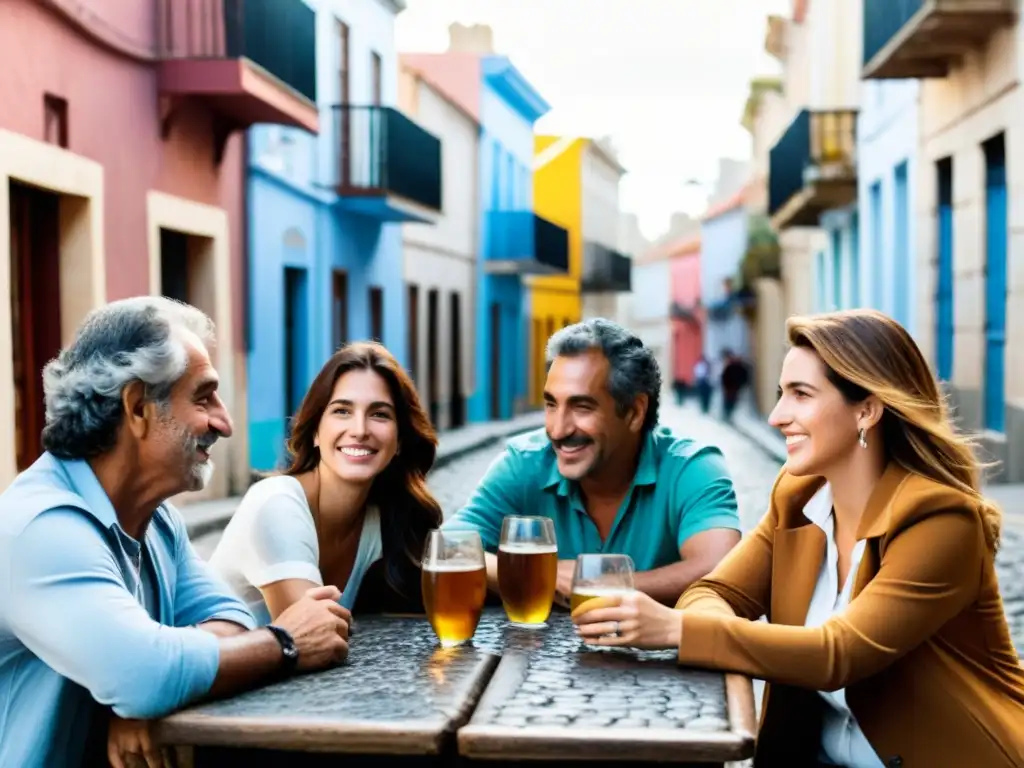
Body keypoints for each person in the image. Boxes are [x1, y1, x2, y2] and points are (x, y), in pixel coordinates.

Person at [572, 309, 1024, 767]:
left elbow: (840, 653)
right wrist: (696, 621)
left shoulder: (942, 520)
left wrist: (677, 629)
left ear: (866, 410)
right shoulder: (799, 498)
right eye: (780, 394)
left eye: (801, 395)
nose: (775, 416)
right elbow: (713, 592)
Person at [0, 297, 350, 768]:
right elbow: (143, 673)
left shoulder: (156, 519)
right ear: (138, 407)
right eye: (203, 398)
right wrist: (285, 642)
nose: (224, 423)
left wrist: (154, 683)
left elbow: (230, 618)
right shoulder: (41, 528)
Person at [444, 318, 742, 606]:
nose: (558, 430)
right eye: (551, 404)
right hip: (533, 656)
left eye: (582, 407)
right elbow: (448, 549)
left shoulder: (691, 468)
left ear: (635, 411)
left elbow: (720, 570)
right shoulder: (525, 463)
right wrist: (538, 576)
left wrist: (595, 582)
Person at [208, 342, 443, 624]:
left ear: (401, 440)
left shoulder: (383, 517)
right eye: (342, 411)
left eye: (379, 414)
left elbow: (455, 577)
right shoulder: (276, 504)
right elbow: (316, 635)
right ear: (316, 432)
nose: (359, 430)